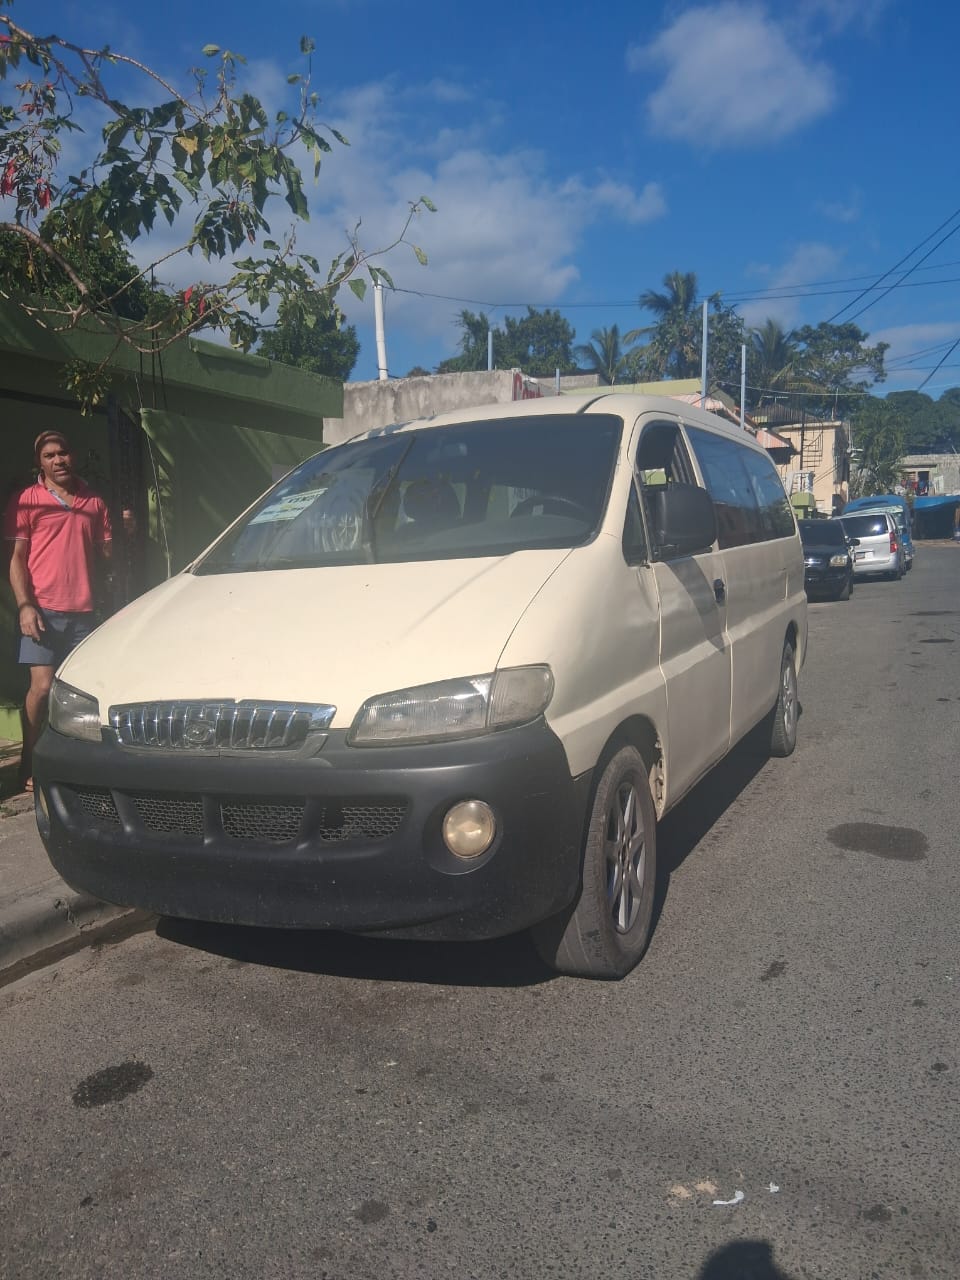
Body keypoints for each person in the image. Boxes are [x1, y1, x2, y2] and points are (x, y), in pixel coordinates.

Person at [4, 431, 112, 792]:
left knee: (82, 691)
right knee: (42, 686)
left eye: (63, 453)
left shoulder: (94, 501)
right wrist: (24, 606)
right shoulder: (27, 501)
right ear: (40, 462)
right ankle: (30, 763)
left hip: (84, 612)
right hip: (42, 612)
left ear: (73, 455)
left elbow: (106, 555)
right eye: (49, 455)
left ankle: (77, 765)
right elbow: (17, 560)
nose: (58, 460)